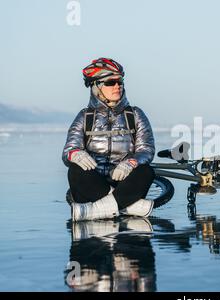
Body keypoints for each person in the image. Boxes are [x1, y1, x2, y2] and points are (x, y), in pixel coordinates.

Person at [62, 57, 156, 221]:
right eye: (110, 82)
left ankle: (94, 210)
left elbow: (146, 149)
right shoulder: (85, 117)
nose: (117, 86)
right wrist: (75, 154)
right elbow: (68, 150)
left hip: (124, 182)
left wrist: (130, 163)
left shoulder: (135, 115)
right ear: (96, 86)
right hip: (95, 182)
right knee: (75, 171)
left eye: (119, 81)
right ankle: (128, 206)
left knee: (146, 171)